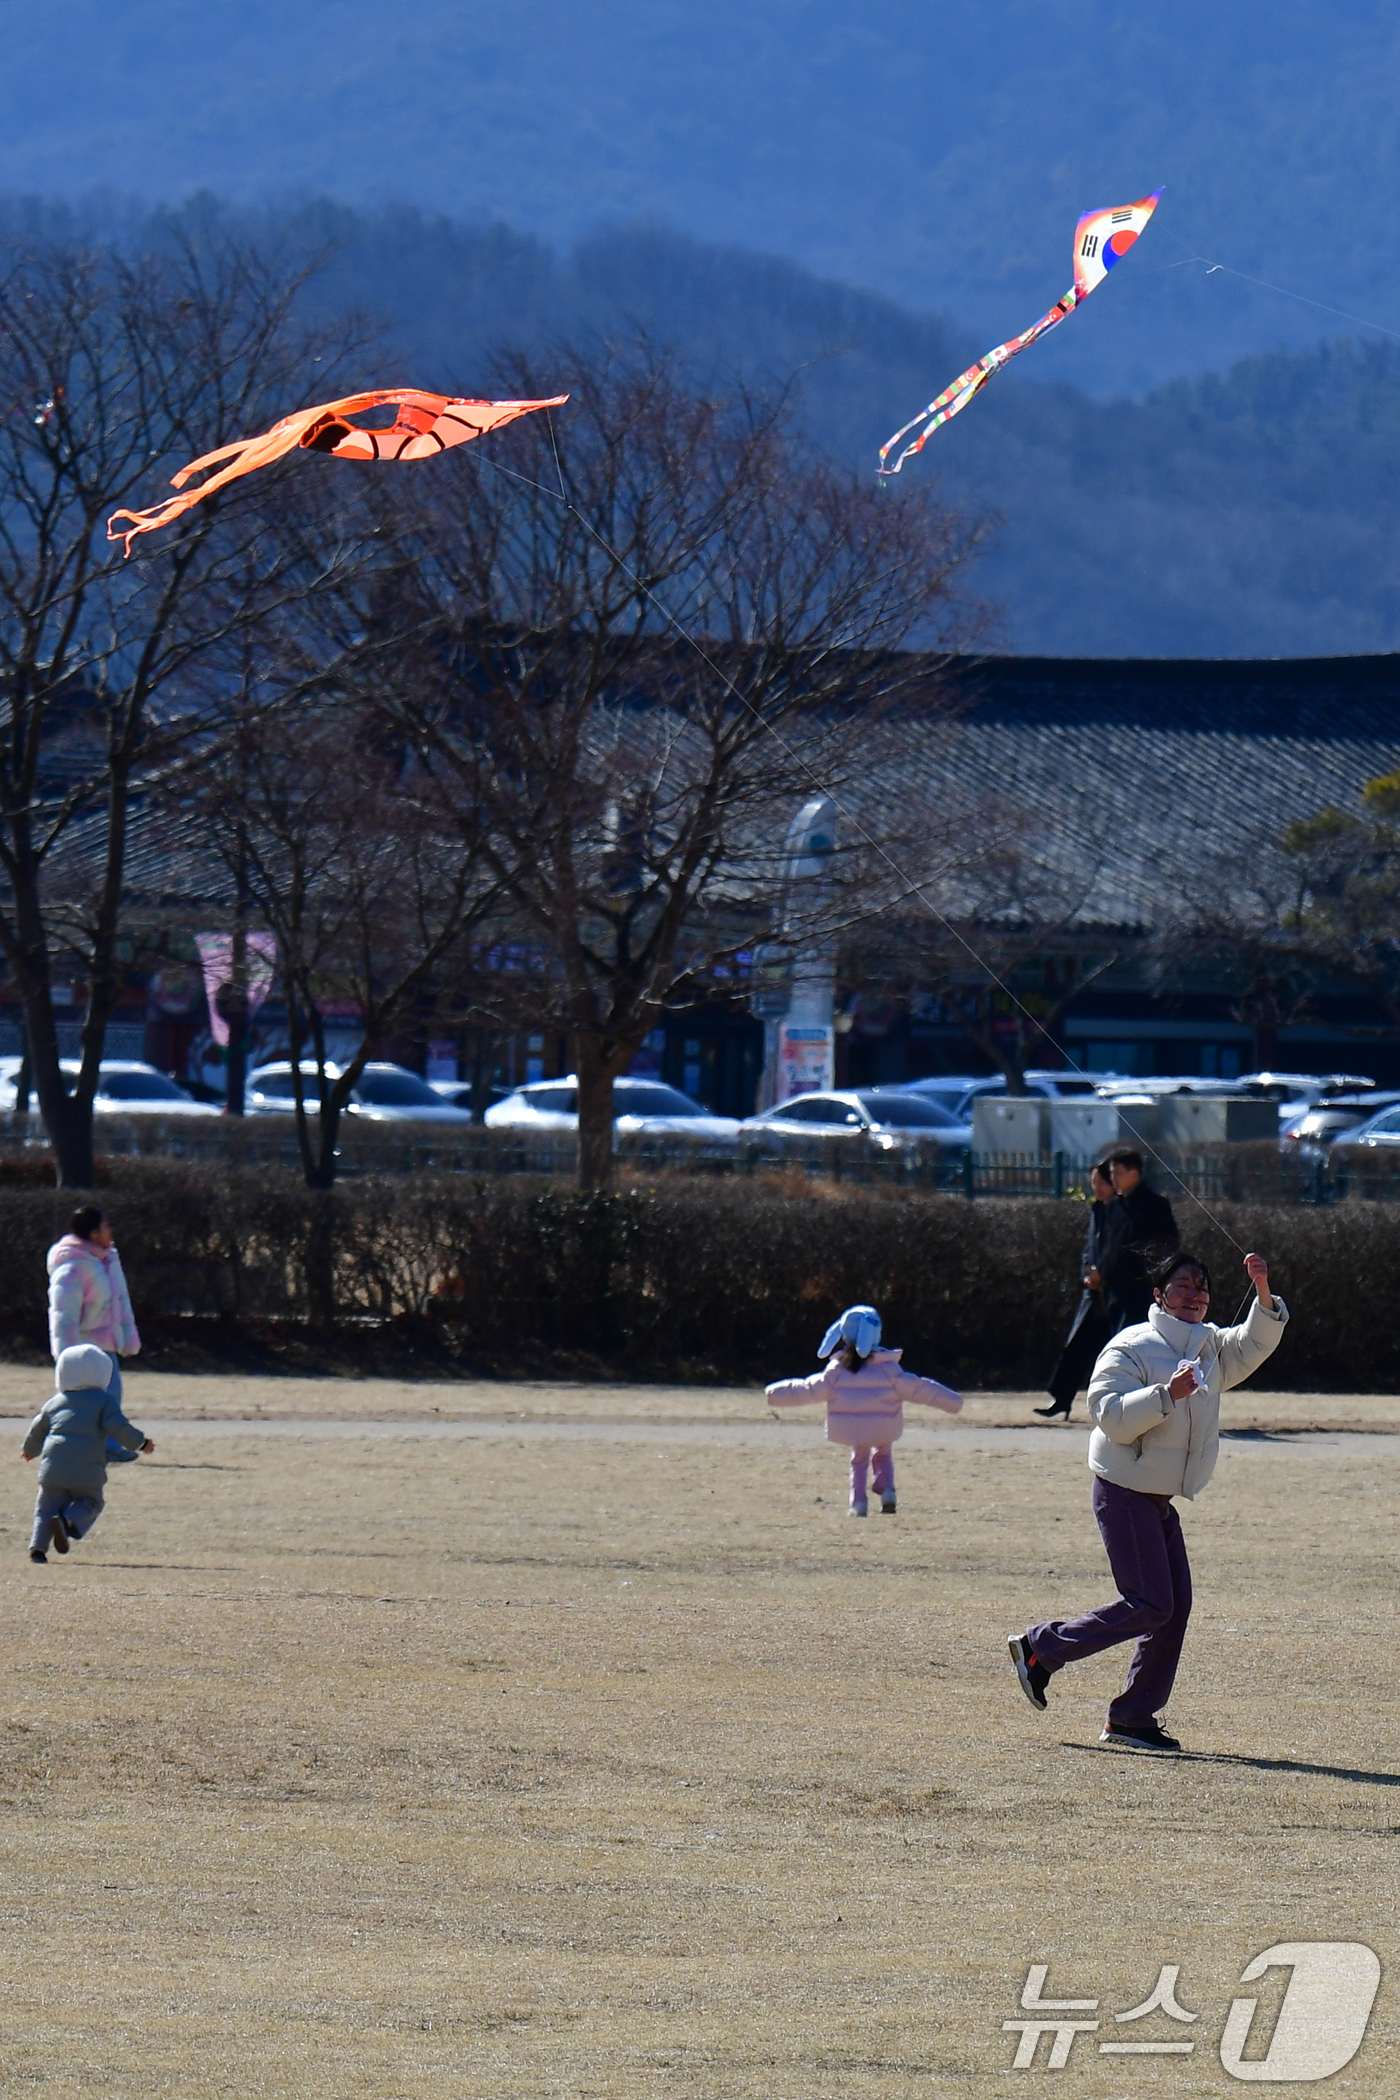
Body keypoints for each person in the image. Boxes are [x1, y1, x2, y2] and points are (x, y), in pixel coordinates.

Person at [1007, 1248, 1287, 1752]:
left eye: (1202, 1287)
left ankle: (1133, 1717)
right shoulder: (1130, 1346)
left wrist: (1263, 1291)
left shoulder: (1211, 1347)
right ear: (1159, 1296)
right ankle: (1040, 1648)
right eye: (1184, 1285)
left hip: (1157, 1499)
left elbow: (1252, 1344)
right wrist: (1167, 1393)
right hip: (1123, 1491)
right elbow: (1109, 1415)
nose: (1196, 1295)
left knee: (1173, 1607)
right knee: (1152, 1603)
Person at [765, 1303, 963, 1515]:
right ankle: (888, 1491)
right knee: (883, 1453)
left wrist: (774, 1393)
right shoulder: (889, 1368)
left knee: (859, 1461)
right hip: (885, 1426)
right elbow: (920, 1388)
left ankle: (858, 1503)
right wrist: (953, 1401)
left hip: (853, 1428)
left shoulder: (838, 1369)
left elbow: (808, 1388)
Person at [22, 1343, 154, 1563]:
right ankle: (67, 1521)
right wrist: (141, 1443)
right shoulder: (104, 1402)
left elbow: (38, 1429)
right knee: (92, 1502)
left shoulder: (54, 1403)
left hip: (53, 1468)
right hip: (87, 1468)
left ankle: (38, 1549)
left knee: (45, 1508)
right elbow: (118, 1427)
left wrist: (29, 1451)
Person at [47, 1205, 141, 1425]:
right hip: (84, 1350)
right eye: (105, 1226)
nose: (110, 1230)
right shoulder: (72, 1268)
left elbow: (121, 1303)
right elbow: (64, 1317)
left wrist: (127, 1339)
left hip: (107, 1347)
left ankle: (109, 1446)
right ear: (93, 1233)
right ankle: (102, 1447)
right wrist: (66, 1358)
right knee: (94, 1403)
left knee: (112, 1398)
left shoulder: (107, 1260)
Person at [1036, 1161, 1115, 1419]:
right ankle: (1062, 1399)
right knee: (1075, 1346)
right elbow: (1089, 1248)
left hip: (1114, 1295)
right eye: (1093, 1183)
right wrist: (1087, 1273)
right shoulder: (1097, 1211)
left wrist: (1105, 1274)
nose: (1096, 1188)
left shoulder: (1122, 1214)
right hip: (1093, 1295)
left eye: (1100, 1182)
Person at [1094, 1147, 1179, 1333]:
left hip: (1138, 1292)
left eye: (1118, 1173)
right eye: (1111, 1173)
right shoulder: (1114, 1206)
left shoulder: (1154, 1206)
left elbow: (1167, 1245)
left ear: (1134, 1174)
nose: (1113, 1179)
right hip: (1113, 1292)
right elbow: (1108, 1244)